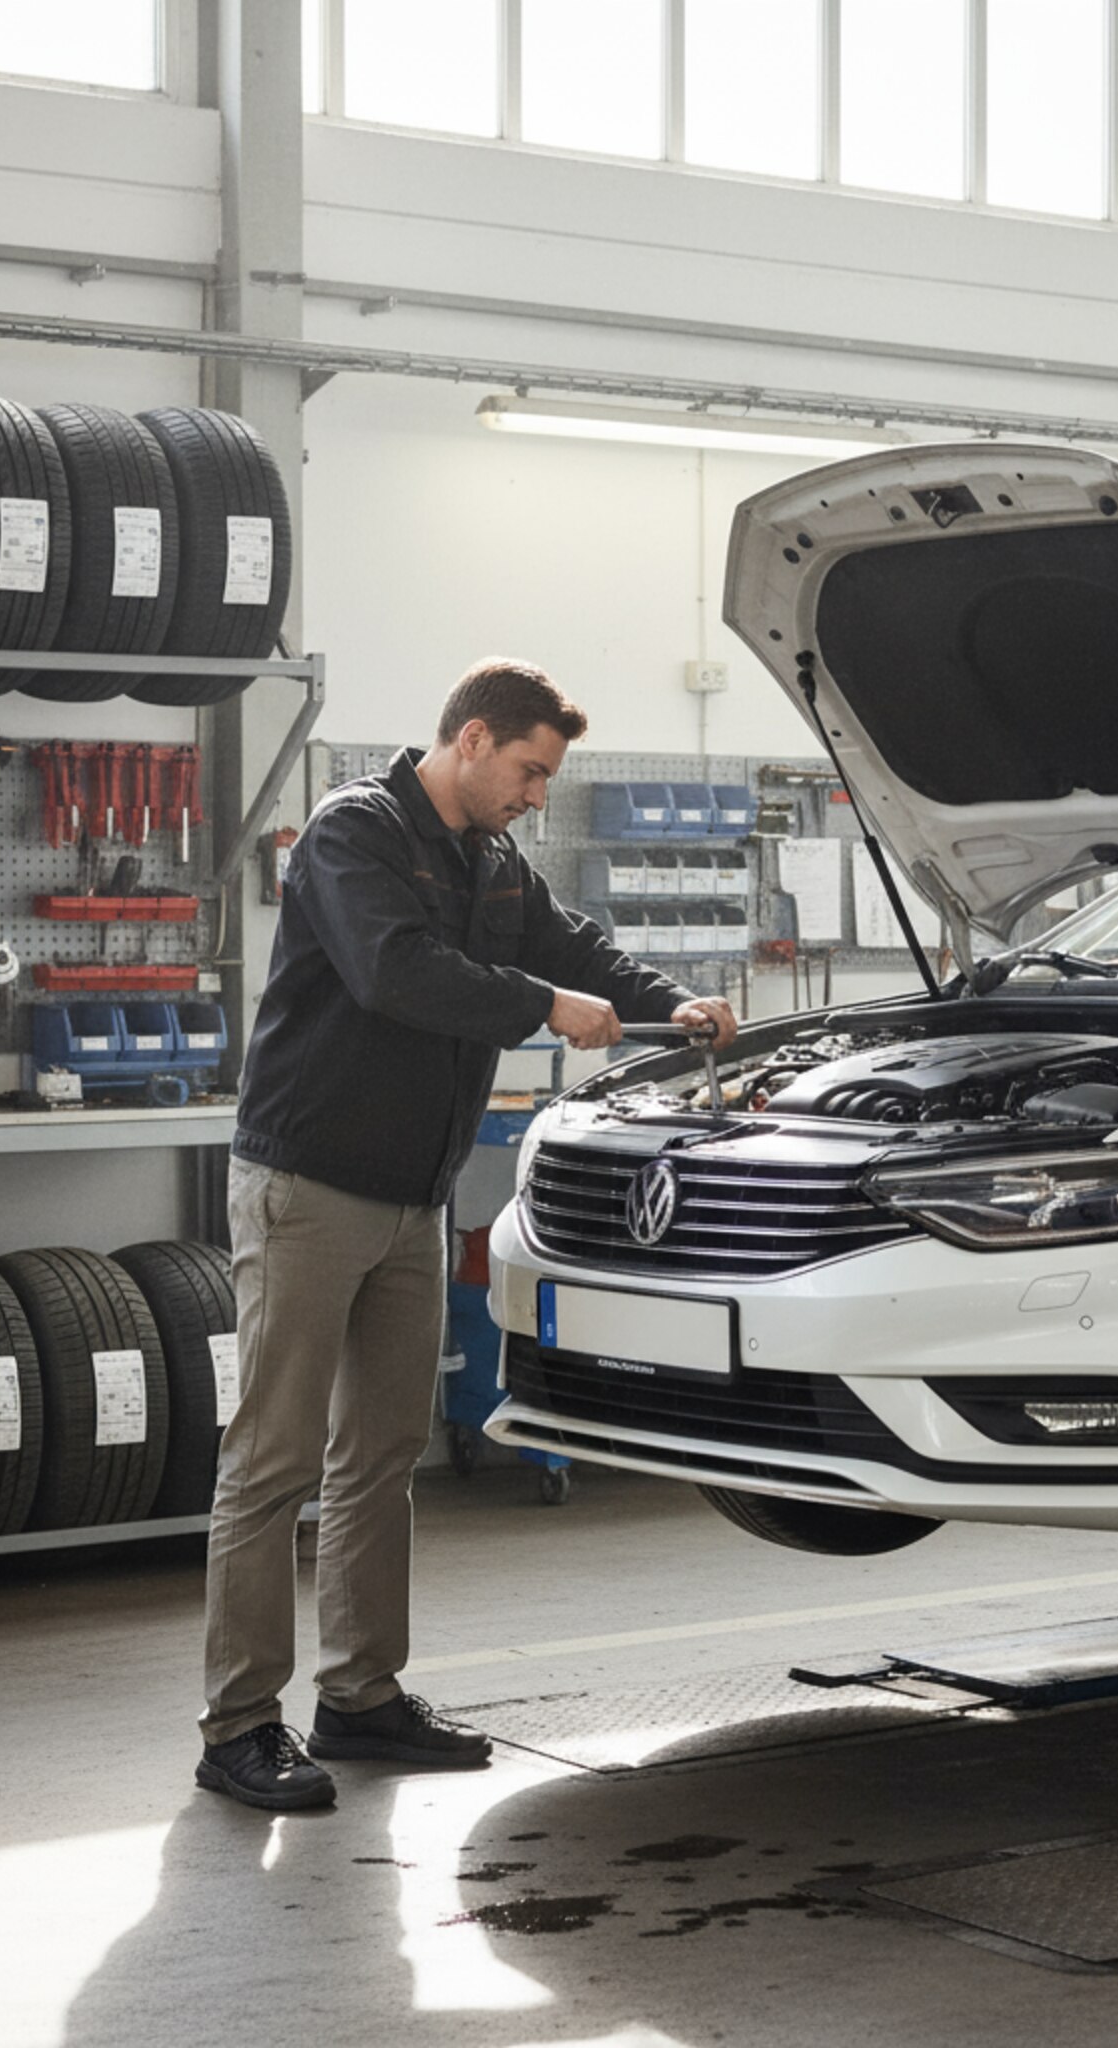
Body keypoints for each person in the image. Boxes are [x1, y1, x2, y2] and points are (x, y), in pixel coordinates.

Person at [195, 657, 739, 1810]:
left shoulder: (491, 859)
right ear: (474, 738)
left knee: (380, 1458)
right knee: (274, 1460)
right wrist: (540, 1006)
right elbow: (398, 972)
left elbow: (572, 945)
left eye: (547, 779)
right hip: (308, 1186)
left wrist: (669, 996)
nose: (536, 795)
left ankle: (359, 1696)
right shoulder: (356, 833)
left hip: (411, 1193)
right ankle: (238, 1723)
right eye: (530, 771)